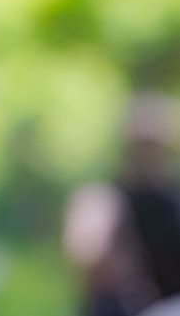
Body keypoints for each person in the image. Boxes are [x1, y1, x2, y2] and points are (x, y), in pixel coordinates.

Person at [63, 92, 180, 316]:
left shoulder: (173, 203)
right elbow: (85, 254)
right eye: (141, 144)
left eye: (154, 145)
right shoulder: (103, 200)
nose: (148, 153)